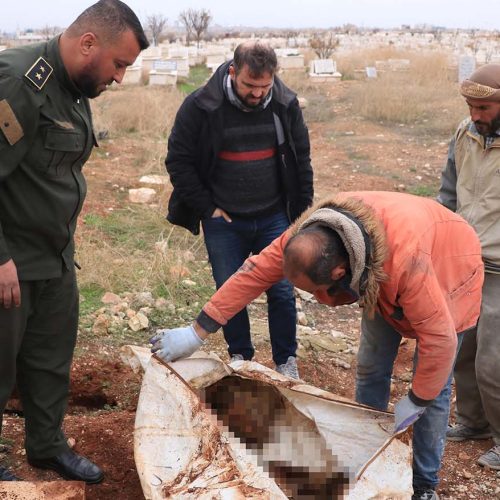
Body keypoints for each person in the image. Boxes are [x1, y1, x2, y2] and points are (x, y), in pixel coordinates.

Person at [151, 191, 483, 500]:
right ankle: (366, 451)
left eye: (317, 290)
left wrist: (416, 399)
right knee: (371, 365)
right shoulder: (307, 239)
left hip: (450, 269)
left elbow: (440, 340)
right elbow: (252, 274)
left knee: (434, 391)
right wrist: (197, 331)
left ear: (341, 271)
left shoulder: (408, 265)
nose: (317, 300)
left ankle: (424, 484)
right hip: (386, 276)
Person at [0, 0, 148, 483]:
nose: (121, 77)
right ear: (88, 44)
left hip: (55, 259)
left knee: (49, 363)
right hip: (11, 263)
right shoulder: (22, 81)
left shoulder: (76, 87)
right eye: (119, 64)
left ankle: (45, 446)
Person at [165, 41, 313, 378]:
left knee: (282, 290)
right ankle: (240, 358)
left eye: (265, 86)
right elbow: (178, 161)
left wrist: (302, 216)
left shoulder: (285, 104)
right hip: (224, 220)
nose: (258, 94)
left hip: (275, 215)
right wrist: (208, 208)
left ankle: (286, 362)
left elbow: (301, 159)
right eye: (250, 85)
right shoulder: (201, 107)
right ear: (233, 72)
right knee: (230, 290)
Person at [438, 63, 500, 470]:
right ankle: (473, 423)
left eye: (484, 107)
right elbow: (447, 191)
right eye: (470, 106)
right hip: (464, 261)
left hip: (498, 268)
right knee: (463, 352)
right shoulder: (464, 133)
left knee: (493, 362)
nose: (476, 114)